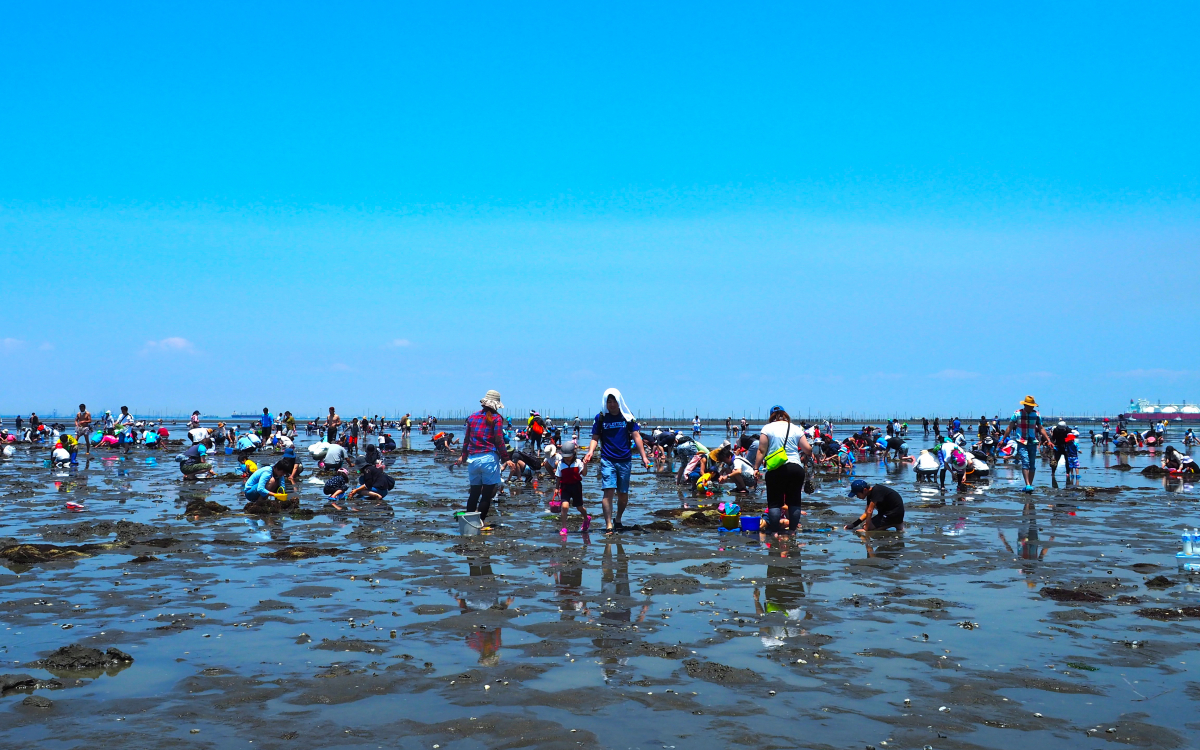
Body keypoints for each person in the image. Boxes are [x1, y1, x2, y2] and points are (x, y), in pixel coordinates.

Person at [583, 388, 651, 534]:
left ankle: (618, 519)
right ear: (605, 402)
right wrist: (590, 452)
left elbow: (636, 436)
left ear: (619, 401)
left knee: (623, 493)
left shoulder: (627, 417)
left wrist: (644, 457)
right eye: (609, 401)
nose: (612, 404)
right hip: (607, 459)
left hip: (625, 460)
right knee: (608, 492)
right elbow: (595, 437)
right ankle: (608, 524)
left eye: (614, 401)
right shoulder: (600, 418)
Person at [752, 406, 813, 534]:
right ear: (785, 415)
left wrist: (756, 468)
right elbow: (808, 449)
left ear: (771, 416)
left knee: (774, 503)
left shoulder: (767, 428)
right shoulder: (795, 428)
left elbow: (761, 450)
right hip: (795, 468)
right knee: (794, 501)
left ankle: (775, 532)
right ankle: (792, 531)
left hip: (775, 469)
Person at [455, 389, 511, 527]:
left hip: (473, 460)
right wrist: (506, 458)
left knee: (474, 494)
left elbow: (466, 440)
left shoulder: (472, 417)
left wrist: (463, 456)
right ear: (496, 404)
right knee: (486, 495)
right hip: (489, 459)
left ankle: (467, 524)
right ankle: (480, 523)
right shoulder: (497, 418)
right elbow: (499, 440)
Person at [1005, 395, 1052, 492]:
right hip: (1021, 441)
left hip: (1033, 441)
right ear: (1025, 405)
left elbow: (1041, 428)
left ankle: (1030, 485)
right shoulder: (1017, 414)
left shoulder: (1036, 415)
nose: (1031, 407)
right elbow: (1010, 427)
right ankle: (1027, 484)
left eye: (1032, 406)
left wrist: (1048, 440)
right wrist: (1003, 439)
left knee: (1032, 463)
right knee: (1025, 462)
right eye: (1030, 405)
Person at [555, 441, 590, 534]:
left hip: (576, 487)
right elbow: (559, 476)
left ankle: (586, 518)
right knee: (564, 506)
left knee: (579, 507)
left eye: (568, 456)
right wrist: (556, 488)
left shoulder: (578, 462)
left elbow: (584, 474)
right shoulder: (560, 464)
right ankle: (564, 527)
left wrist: (585, 464)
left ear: (573, 454)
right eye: (565, 457)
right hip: (565, 487)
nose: (567, 459)